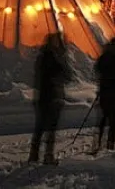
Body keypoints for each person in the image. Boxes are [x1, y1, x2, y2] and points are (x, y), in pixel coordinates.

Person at [29, 32, 71, 164]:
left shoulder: (44, 57)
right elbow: (65, 75)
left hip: (45, 96)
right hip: (51, 96)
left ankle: (34, 155)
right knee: (49, 128)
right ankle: (47, 156)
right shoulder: (53, 58)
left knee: (41, 127)